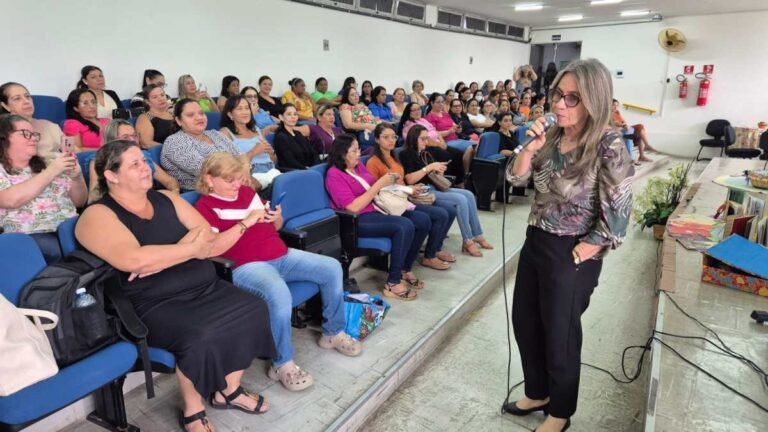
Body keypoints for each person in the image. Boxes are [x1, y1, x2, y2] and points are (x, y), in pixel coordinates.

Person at [76, 140, 276, 432]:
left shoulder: (167, 198)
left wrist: (161, 258)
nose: (146, 168)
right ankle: (193, 410)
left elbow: (206, 234)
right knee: (200, 334)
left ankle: (229, 390)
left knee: (255, 307)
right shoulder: (97, 215)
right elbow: (134, 260)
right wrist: (189, 250)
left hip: (204, 286)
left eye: (145, 161)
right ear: (111, 175)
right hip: (154, 302)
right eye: (135, 164)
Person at [504, 59, 634, 432]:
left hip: (573, 249)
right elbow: (516, 179)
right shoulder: (552, 136)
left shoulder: (608, 144)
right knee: (525, 321)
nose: (560, 104)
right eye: (558, 94)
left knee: (559, 333)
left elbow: (619, 209)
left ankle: (560, 412)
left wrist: (586, 249)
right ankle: (538, 392)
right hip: (536, 240)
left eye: (572, 98)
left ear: (594, 99)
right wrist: (529, 149)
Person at [195, 152, 361, 392]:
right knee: (279, 292)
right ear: (209, 180)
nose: (237, 184)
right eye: (229, 180)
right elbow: (212, 248)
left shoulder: (248, 193)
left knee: (332, 267)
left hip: (281, 254)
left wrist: (277, 217)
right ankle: (282, 363)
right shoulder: (204, 208)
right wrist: (246, 222)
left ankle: (333, 332)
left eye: (239, 178)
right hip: (246, 265)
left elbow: (276, 227)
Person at [325, 134, 428, 299]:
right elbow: (352, 207)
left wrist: (391, 182)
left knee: (422, 220)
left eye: (359, 149)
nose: (359, 154)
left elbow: (373, 185)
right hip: (357, 219)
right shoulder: (334, 174)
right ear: (342, 154)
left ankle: (404, 268)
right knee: (404, 225)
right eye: (354, 151)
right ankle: (392, 282)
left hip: (377, 208)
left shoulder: (357, 166)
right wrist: (379, 184)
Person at [366, 123, 456, 269]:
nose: (391, 140)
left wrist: (410, 188)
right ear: (377, 139)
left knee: (449, 210)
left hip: (405, 196)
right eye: (385, 137)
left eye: (393, 137)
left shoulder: (393, 157)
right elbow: (378, 190)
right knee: (439, 215)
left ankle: (433, 251)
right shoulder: (373, 162)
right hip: (392, 202)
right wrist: (407, 189)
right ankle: (427, 257)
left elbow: (401, 181)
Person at [0, 114, 87, 262]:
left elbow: (79, 202)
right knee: (67, 254)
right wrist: (52, 171)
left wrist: (76, 177)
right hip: (32, 235)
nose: (34, 138)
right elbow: (11, 200)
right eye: (26, 134)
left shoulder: (47, 164)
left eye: (34, 134)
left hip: (72, 227)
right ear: (3, 138)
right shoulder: (51, 168)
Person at [399, 125, 492, 257]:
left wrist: (439, 171)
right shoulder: (406, 154)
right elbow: (410, 179)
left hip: (433, 187)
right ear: (414, 138)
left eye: (427, 138)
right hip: (421, 191)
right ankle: (467, 240)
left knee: (469, 194)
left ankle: (478, 234)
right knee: (460, 200)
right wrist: (428, 168)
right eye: (422, 139)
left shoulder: (426, 153)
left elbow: (434, 177)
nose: (426, 142)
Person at [161, 99, 251, 191]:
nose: (199, 118)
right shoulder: (175, 141)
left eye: (201, 113)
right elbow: (208, 170)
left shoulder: (215, 134)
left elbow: (241, 155)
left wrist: (245, 170)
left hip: (235, 183)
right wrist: (241, 175)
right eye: (190, 115)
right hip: (204, 192)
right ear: (178, 120)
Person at [85, 119, 179, 204]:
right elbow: (94, 198)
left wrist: (174, 200)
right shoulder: (100, 160)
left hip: (150, 203)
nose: (132, 140)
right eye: (125, 137)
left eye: (134, 136)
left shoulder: (142, 156)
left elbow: (170, 181)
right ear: (112, 140)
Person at [220, 96, 281, 188]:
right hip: (251, 174)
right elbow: (229, 165)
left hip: (272, 171)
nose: (245, 112)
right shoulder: (225, 132)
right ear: (230, 114)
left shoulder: (256, 129)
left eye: (247, 108)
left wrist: (272, 153)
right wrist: (254, 151)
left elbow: (274, 160)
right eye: (239, 109)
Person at [399, 102, 465, 185]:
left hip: (437, 143)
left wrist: (442, 142)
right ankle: (447, 182)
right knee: (446, 156)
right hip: (428, 146)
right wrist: (439, 145)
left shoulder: (423, 120)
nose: (417, 112)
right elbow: (425, 140)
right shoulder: (409, 125)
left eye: (418, 109)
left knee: (458, 153)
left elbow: (435, 132)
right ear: (408, 112)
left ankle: (458, 181)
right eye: (414, 110)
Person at [0, 82, 64, 160]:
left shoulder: (49, 126)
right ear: (5, 106)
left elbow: (73, 152)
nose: (26, 101)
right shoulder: (3, 131)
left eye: (27, 96)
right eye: (17, 98)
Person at [425, 93, 475, 174]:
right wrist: (449, 131)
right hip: (446, 141)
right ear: (432, 103)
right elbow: (434, 134)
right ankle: (466, 173)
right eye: (438, 102)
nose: (441, 104)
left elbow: (454, 126)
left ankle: (470, 171)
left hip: (456, 139)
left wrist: (458, 128)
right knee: (471, 147)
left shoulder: (445, 114)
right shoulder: (430, 117)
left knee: (477, 146)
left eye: (442, 102)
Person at [612, 99, 658, 164]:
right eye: (613, 105)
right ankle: (646, 146)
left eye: (617, 105)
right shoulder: (608, 113)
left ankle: (642, 156)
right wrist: (623, 125)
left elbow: (624, 121)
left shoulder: (617, 112)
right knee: (640, 126)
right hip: (620, 132)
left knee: (640, 135)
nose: (616, 107)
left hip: (625, 130)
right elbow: (614, 122)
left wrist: (625, 124)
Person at [273, 104, 318, 170]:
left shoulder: (298, 134)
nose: (293, 117)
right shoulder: (281, 137)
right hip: (294, 171)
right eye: (289, 114)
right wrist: (306, 169)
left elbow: (313, 153)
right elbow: (289, 161)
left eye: (295, 114)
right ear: (281, 117)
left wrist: (315, 166)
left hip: (309, 169)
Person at [135, 84, 175, 148]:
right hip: (164, 151)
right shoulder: (145, 117)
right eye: (155, 97)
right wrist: (172, 148)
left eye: (162, 95)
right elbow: (146, 143)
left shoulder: (172, 114)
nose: (161, 99)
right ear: (147, 101)